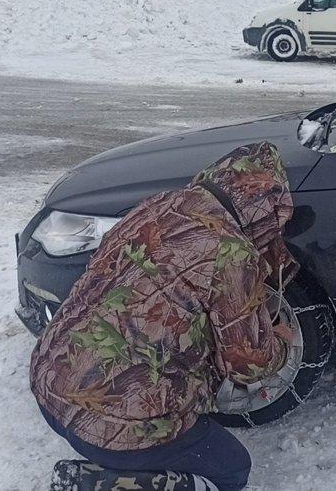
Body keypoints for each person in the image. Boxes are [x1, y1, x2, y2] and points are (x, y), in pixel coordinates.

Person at [30, 142, 297, 491]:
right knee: (231, 469)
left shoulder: (160, 205)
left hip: (50, 381)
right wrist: (278, 340)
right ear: (263, 203)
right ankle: (95, 483)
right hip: (110, 422)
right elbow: (251, 364)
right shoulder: (233, 253)